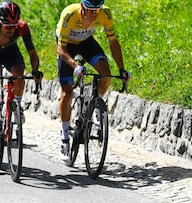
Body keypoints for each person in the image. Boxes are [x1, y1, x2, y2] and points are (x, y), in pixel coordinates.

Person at [56, 0, 129, 161]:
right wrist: (75, 65)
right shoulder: (69, 14)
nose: (92, 14)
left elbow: (113, 42)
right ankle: (65, 137)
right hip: (67, 46)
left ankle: (95, 102)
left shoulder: (105, 13)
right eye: (89, 10)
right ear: (82, 6)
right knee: (66, 93)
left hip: (87, 43)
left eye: (96, 10)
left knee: (106, 75)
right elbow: (60, 48)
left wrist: (122, 69)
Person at [0, 0, 43, 162]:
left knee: (19, 73)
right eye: (7, 26)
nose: (11, 29)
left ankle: (16, 105)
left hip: (10, 53)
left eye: (14, 26)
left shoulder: (22, 27)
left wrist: (35, 70)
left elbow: (32, 53)